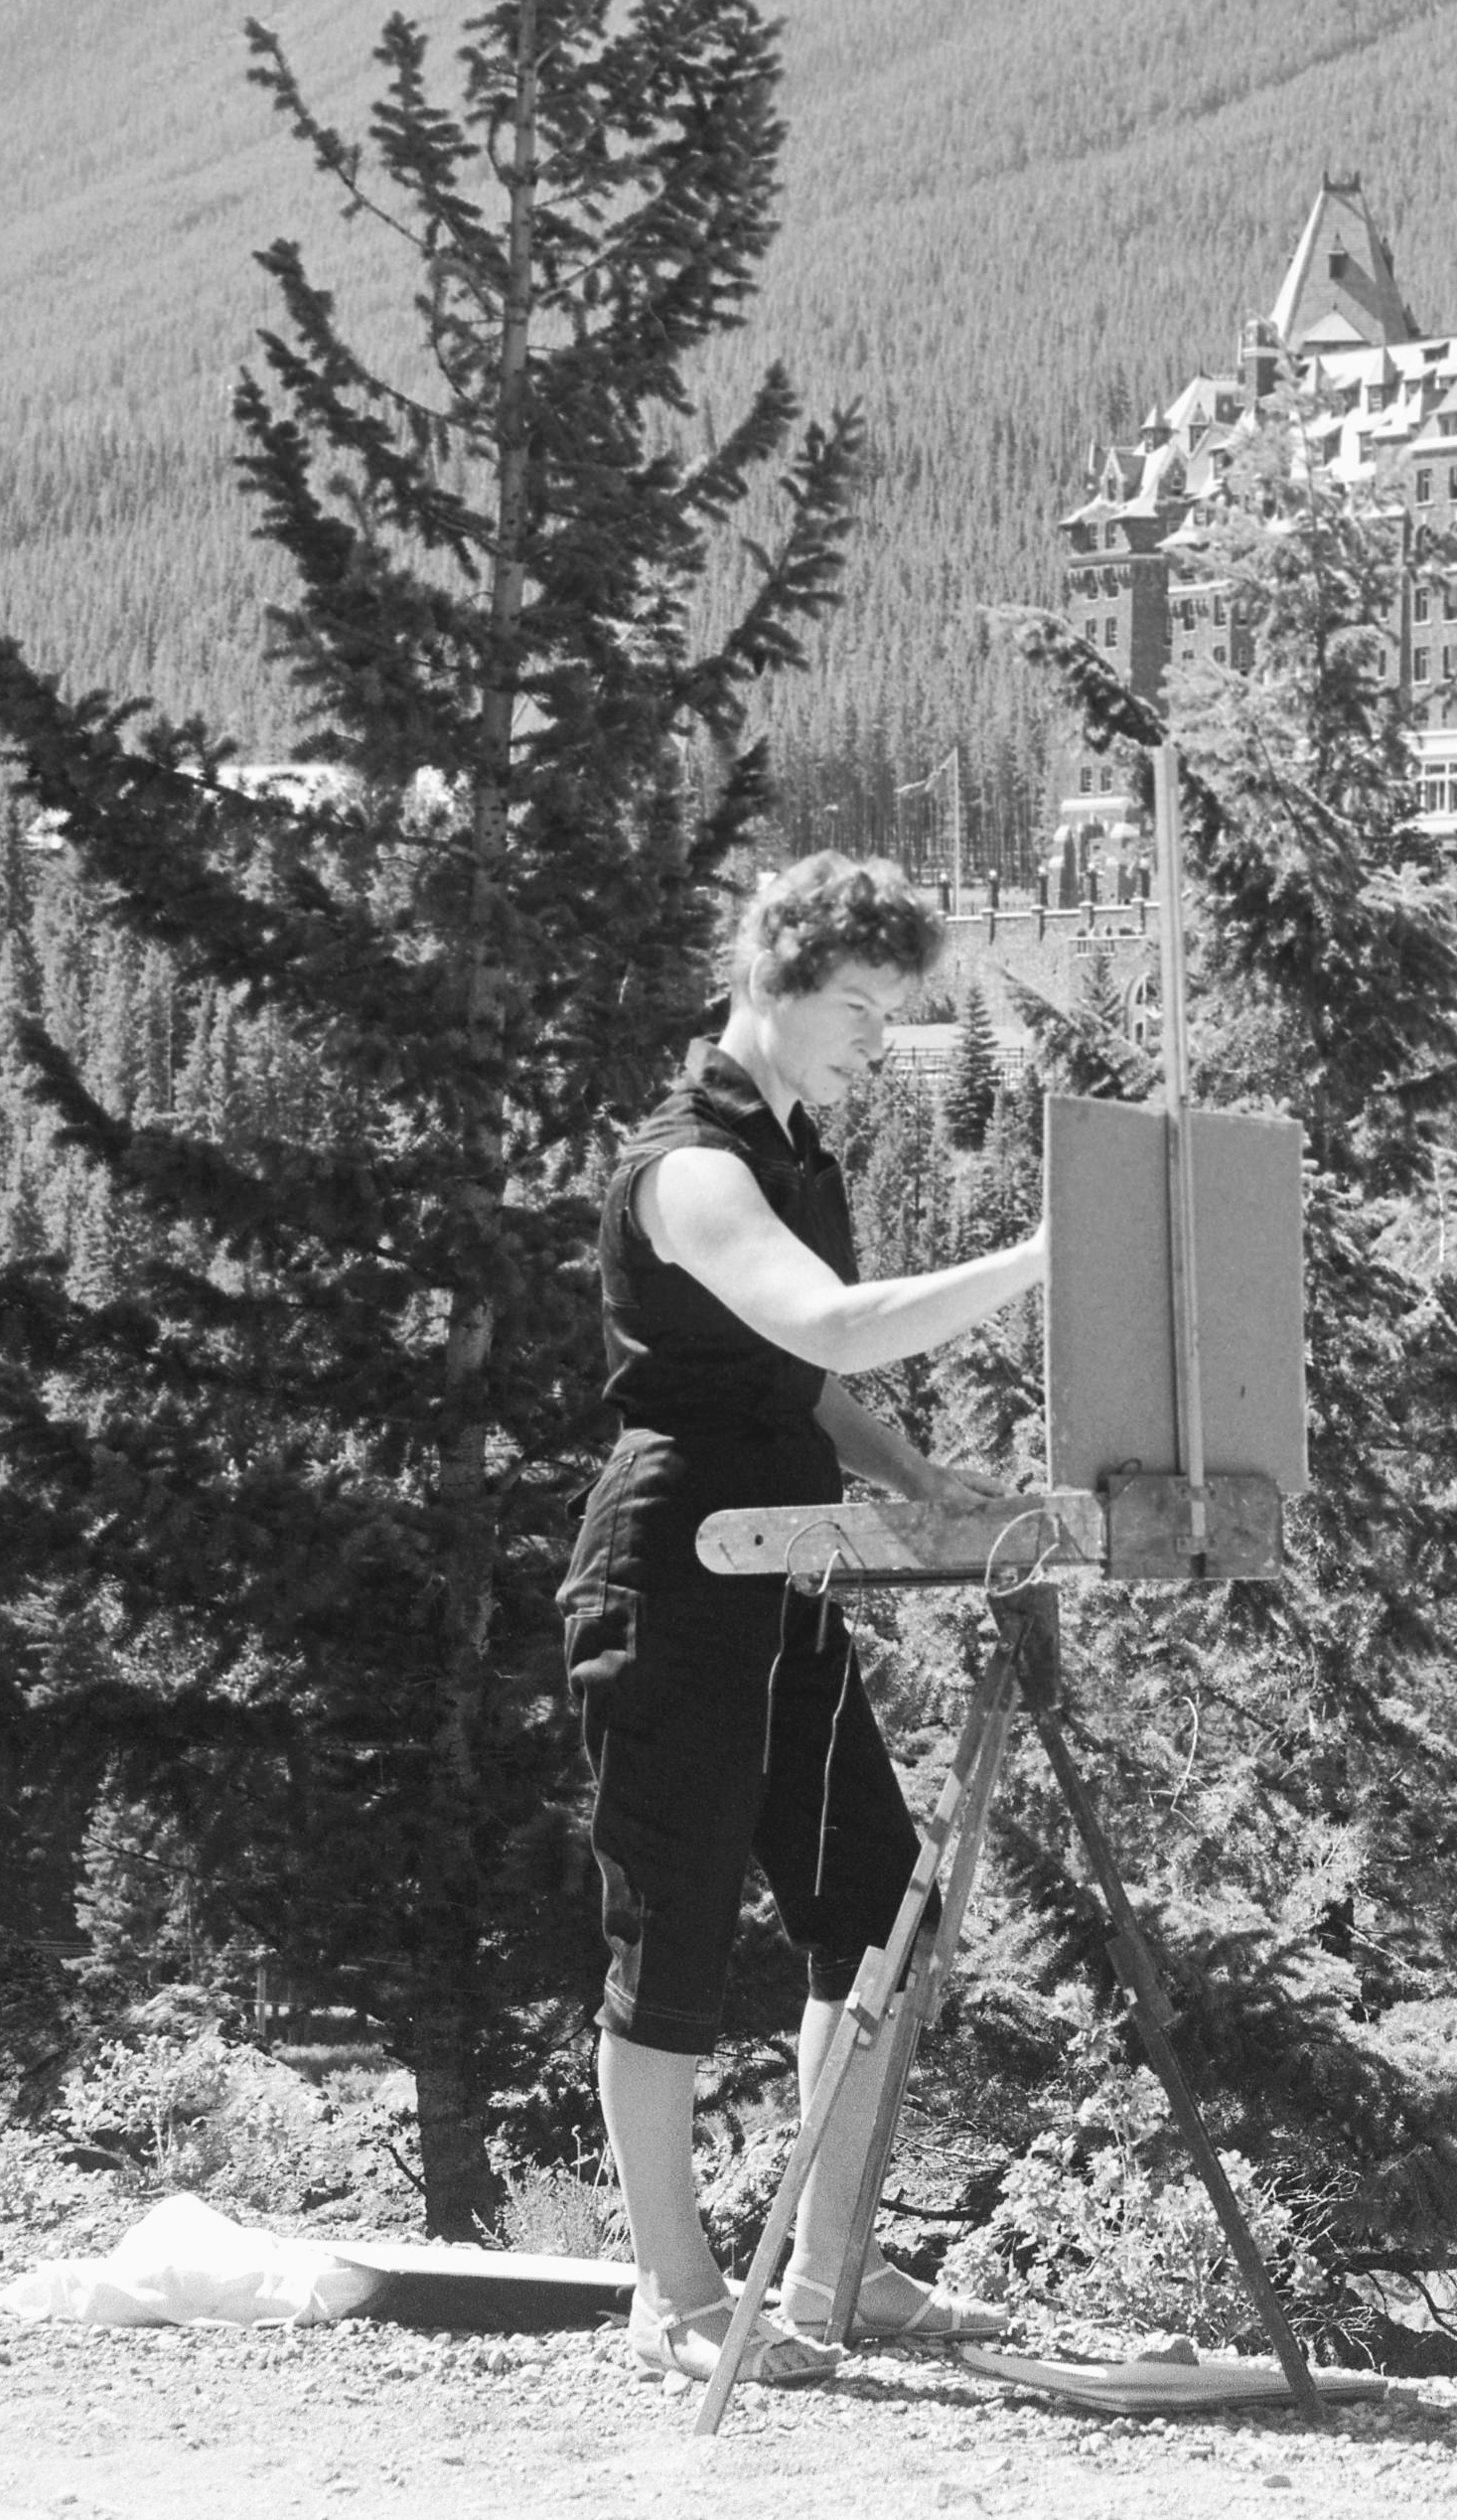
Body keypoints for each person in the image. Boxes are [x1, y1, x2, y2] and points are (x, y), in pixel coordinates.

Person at [570, 852, 1047, 2388]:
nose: (870, 1044)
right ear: (771, 978)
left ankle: (830, 2270)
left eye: (889, 1015)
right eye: (855, 1011)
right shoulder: (691, 1168)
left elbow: (802, 1376)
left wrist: (914, 1470)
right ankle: (676, 2292)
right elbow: (831, 1320)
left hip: (788, 1565)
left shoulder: (792, 1151)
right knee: (677, 1926)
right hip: (670, 1573)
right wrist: (1050, 1256)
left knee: (878, 1904)